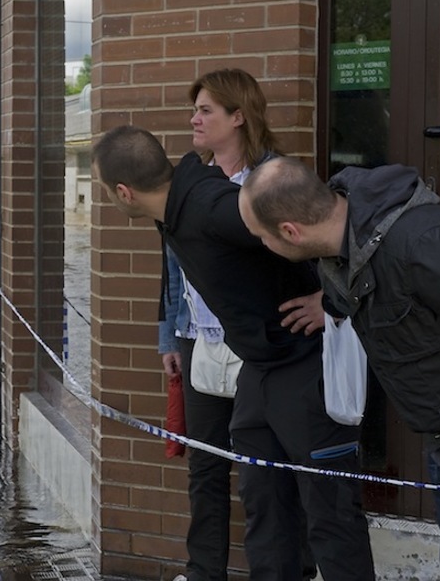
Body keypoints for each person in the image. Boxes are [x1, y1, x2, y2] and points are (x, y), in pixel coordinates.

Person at [92, 125, 375, 581]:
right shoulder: (176, 209)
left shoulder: (213, 208)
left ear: (123, 192)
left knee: (330, 514)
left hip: (307, 368)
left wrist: (334, 300)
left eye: (104, 190)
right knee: (265, 508)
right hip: (258, 371)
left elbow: (324, 221)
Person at [239, 156, 440, 581]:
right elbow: (364, 287)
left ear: (289, 232)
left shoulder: (422, 241)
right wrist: (328, 304)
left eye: (260, 237)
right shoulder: (341, 249)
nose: (262, 247)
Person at [159, 69, 317, 581]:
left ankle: (291, 567)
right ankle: (204, 571)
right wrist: (171, 333)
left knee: (269, 475)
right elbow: (174, 266)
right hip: (202, 343)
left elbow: (322, 245)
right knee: (205, 468)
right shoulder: (191, 182)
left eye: (206, 110)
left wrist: (325, 300)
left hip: (265, 352)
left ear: (239, 116)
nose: (194, 119)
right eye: (195, 109)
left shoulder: (275, 181)